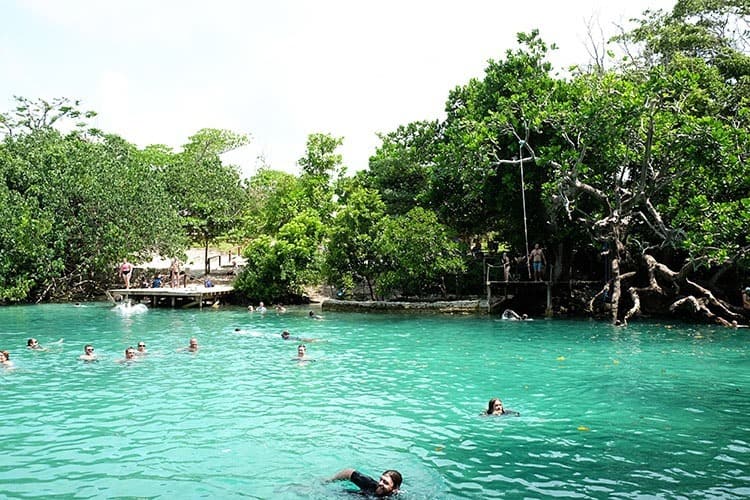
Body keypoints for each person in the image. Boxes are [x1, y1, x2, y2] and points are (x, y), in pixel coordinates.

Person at [328, 468, 402, 497]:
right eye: (381, 480)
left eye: (386, 483)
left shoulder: (395, 498)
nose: (380, 483)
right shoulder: (371, 485)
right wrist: (330, 480)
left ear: (395, 488)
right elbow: (349, 472)